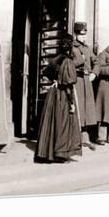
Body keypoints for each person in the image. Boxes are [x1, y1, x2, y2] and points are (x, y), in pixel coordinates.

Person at [34, 34, 82, 162]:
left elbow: (46, 72)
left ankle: (48, 152)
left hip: (53, 93)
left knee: (52, 122)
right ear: (70, 47)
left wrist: (55, 80)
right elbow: (68, 84)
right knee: (63, 123)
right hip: (63, 95)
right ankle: (60, 153)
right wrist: (71, 102)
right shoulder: (68, 62)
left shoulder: (55, 60)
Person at [71, 21, 98, 150]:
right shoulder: (72, 47)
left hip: (87, 80)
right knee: (78, 108)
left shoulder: (87, 49)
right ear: (75, 34)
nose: (83, 37)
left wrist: (94, 73)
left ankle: (85, 138)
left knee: (87, 109)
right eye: (81, 35)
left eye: (85, 34)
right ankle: (76, 139)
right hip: (77, 81)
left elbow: (96, 62)